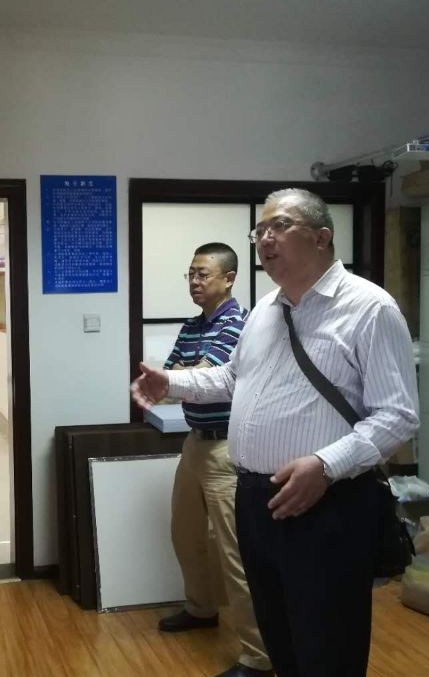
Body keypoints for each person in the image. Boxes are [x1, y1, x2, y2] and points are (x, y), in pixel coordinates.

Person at [132, 188, 419, 677]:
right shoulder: (266, 309)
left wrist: (325, 465)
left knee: (327, 643)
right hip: (254, 497)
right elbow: (232, 378)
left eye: (280, 226)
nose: (265, 238)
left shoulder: (369, 308)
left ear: (322, 237)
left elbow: (397, 415)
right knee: (280, 637)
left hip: (326, 502)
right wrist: (172, 384)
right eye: (259, 230)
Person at [155, 243, 271, 677]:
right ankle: (201, 608)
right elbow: (172, 377)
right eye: (190, 274)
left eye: (203, 274)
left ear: (229, 278)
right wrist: (180, 379)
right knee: (185, 534)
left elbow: (201, 378)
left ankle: (259, 655)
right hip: (194, 444)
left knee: (235, 552)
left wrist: (180, 379)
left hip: (227, 449)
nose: (194, 282)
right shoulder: (191, 326)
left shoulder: (241, 324)